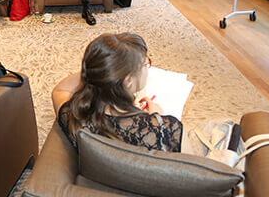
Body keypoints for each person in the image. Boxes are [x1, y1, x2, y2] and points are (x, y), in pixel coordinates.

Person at [51, 33, 182, 151]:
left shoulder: (72, 117)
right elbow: (195, 172)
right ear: (128, 80)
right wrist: (156, 119)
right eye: (145, 63)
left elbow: (60, 90)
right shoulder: (167, 129)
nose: (147, 67)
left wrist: (101, 68)